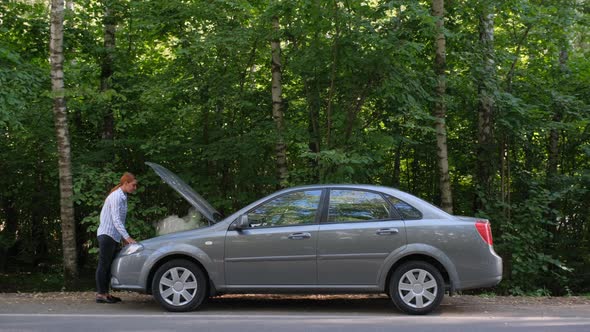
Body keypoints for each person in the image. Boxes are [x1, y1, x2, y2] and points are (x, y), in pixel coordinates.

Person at [95, 172, 138, 303]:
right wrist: (127, 237)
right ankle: (101, 294)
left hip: (113, 236)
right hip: (107, 234)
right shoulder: (116, 197)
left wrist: (122, 237)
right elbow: (116, 220)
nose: (135, 188)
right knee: (104, 265)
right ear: (126, 183)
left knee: (108, 265)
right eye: (133, 185)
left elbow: (119, 221)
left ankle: (106, 294)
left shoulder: (123, 196)